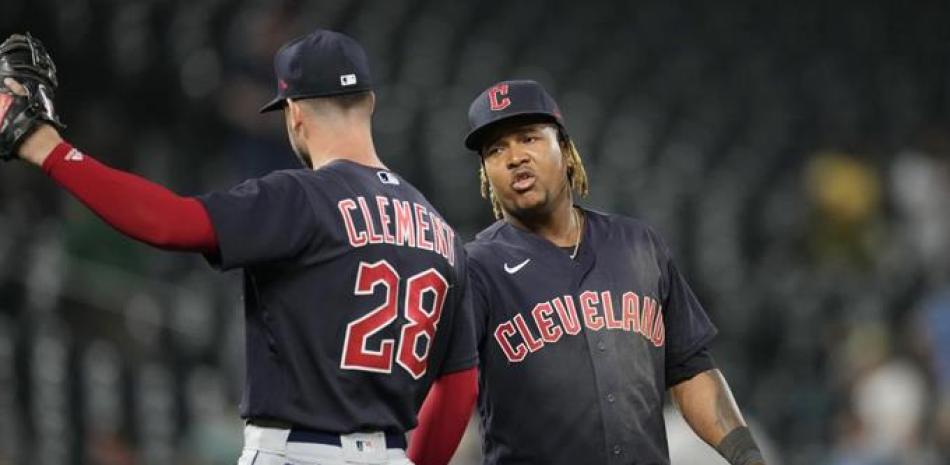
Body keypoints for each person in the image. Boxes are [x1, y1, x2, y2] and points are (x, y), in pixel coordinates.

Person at [1, 30, 477, 465]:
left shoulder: (302, 197)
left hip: (297, 453)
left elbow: (171, 223)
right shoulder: (442, 232)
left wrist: (45, 146)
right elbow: (460, 386)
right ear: (370, 103)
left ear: (294, 115)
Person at [407, 80, 766, 465]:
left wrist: (746, 456)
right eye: (495, 150)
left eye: (528, 138)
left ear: (565, 147)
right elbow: (445, 388)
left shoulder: (639, 245)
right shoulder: (476, 269)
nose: (514, 157)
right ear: (485, 173)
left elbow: (690, 369)